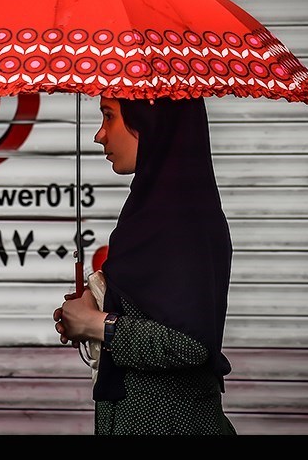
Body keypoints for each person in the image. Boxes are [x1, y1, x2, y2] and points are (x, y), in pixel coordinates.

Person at [52, 95, 237, 435]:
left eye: (109, 117)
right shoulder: (153, 209)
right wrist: (93, 306)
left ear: (150, 123)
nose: (100, 134)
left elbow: (190, 344)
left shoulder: (183, 220)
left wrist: (98, 325)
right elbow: (152, 310)